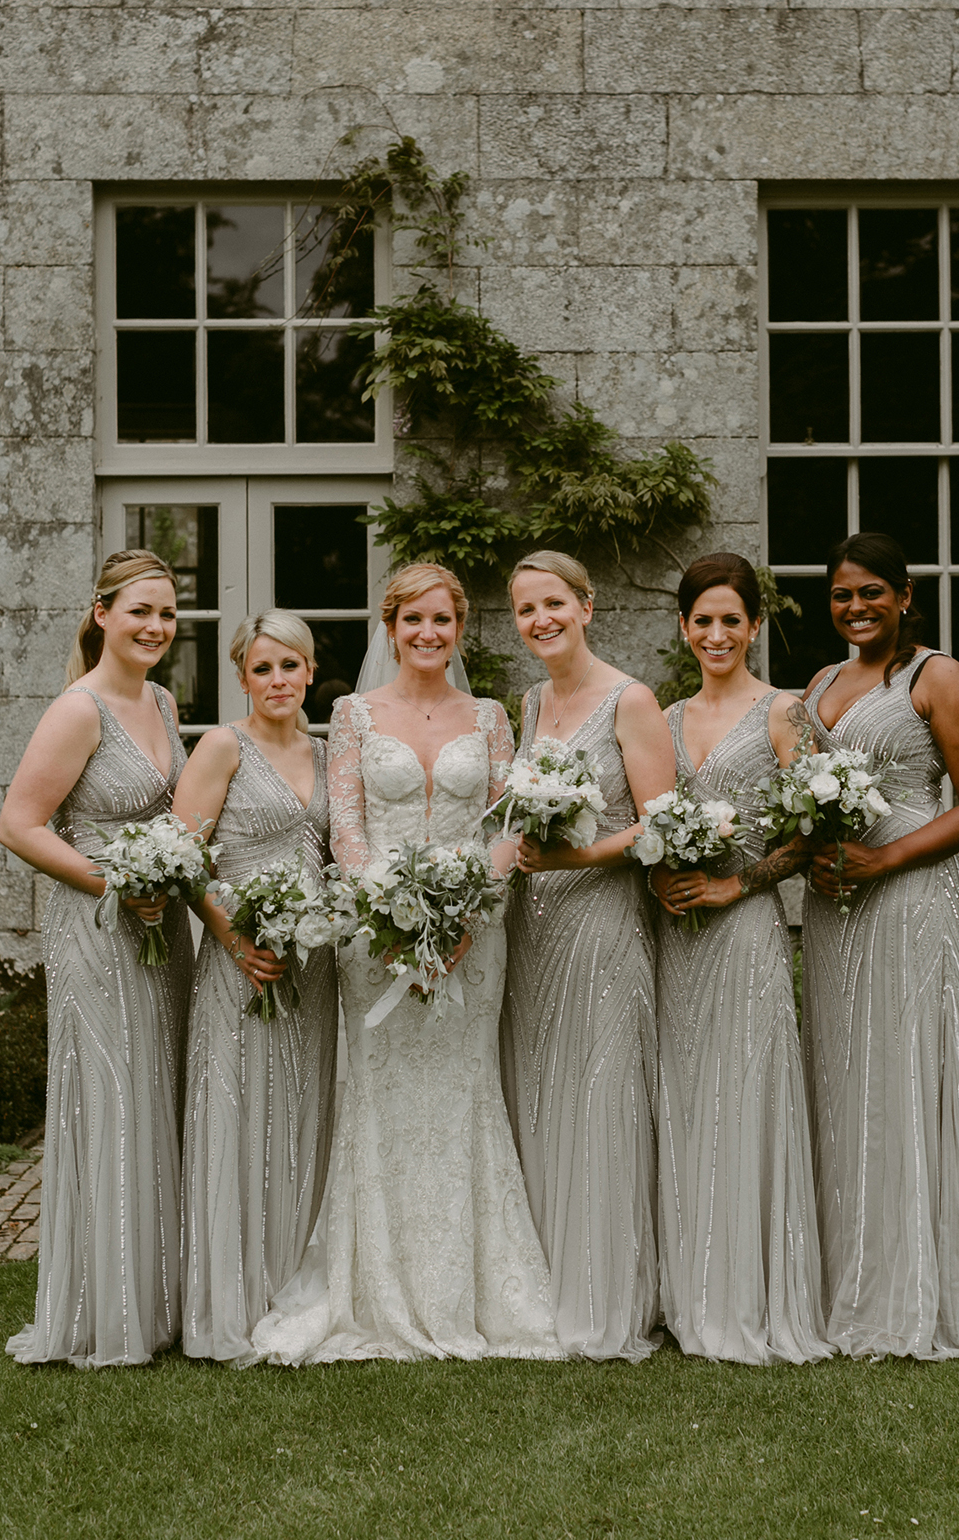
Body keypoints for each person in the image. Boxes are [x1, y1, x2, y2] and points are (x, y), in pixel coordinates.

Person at [251, 562, 561, 1363]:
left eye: (443, 621)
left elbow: (505, 825)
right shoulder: (353, 714)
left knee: (463, 1094)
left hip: (475, 936)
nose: (428, 634)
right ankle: (378, 1288)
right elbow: (347, 827)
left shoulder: (492, 717)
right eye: (413, 621)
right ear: (389, 629)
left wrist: (461, 920)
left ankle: (472, 1291)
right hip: (374, 939)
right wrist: (389, 920)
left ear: (460, 630)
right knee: (382, 1101)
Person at [801, 531, 959, 1360]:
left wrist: (883, 857)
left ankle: (914, 1290)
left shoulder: (936, 675)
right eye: (844, 594)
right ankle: (848, 1279)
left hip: (909, 894)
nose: (857, 607)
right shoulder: (817, 685)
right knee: (845, 1080)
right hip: (833, 907)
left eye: (872, 592)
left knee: (903, 1076)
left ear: (906, 594)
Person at [0, 550, 193, 1367]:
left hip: (161, 933)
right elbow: (19, 824)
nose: (155, 627)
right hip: (98, 929)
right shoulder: (78, 710)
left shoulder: (162, 700)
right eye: (140, 611)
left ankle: (159, 1299)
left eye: (167, 614)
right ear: (102, 613)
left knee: (157, 1095)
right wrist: (115, 881)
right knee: (111, 1102)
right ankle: (103, 1313)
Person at [650, 553, 832, 1365]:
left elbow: (817, 828)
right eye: (702, 620)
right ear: (684, 628)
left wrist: (740, 886)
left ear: (754, 625)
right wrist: (660, 872)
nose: (716, 634)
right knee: (684, 1099)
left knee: (746, 1094)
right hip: (674, 938)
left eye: (732, 619)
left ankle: (754, 1292)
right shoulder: (661, 719)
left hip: (747, 927)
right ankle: (688, 1289)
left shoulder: (785, 714)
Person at [501, 550, 676, 1362]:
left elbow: (659, 826)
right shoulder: (533, 702)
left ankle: (607, 1298)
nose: (541, 620)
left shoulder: (630, 700)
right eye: (526, 609)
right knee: (542, 1094)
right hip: (534, 932)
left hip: (604, 927)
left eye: (554, 604)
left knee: (601, 1098)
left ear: (587, 605)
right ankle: (547, 1288)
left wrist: (570, 861)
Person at [173, 611, 337, 1364]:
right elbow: (184, 858)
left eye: (291, 666)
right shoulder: (220, 747)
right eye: (263, 668)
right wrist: (236, 940)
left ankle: (296, 1292)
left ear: (310, 671)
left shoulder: (329, 752)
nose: (278, 680)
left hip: (313, 966)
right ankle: (230, 1305)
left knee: (305, 1115)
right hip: (240, 967)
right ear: (242, 677)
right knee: (239, 1118)